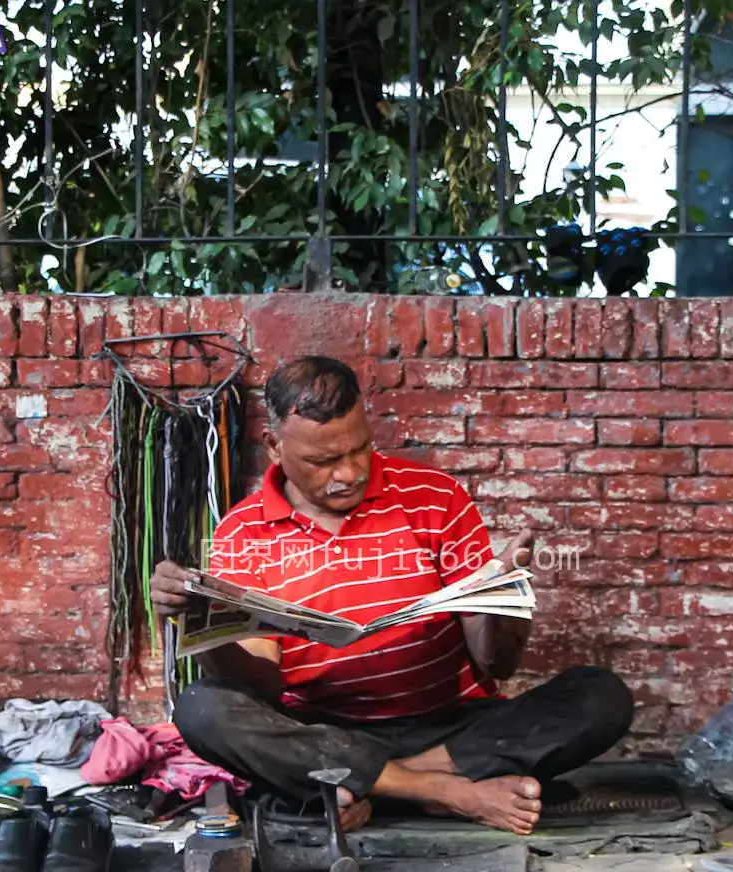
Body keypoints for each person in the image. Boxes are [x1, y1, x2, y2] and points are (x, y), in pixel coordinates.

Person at [152, 356, 633, 836]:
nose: (348, 473)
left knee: (601, 697)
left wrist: (503, 596)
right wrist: (202, 625)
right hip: (325, 736)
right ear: (275, 446)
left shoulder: (435, 497)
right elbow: (262, 690)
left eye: (359, 449)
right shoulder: (243, 533)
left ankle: (381, 790)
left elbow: (496, 664)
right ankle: (444, 794)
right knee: (202, 708)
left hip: (450, 727)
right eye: (323, 462)